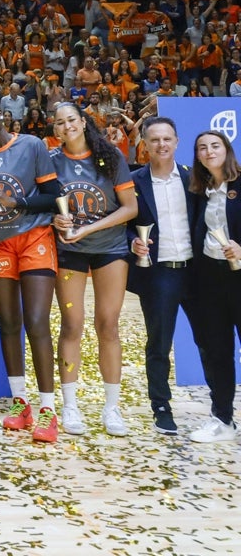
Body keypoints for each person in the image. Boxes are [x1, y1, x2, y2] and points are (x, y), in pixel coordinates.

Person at [0, 98, 62, 443]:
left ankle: (48, 409)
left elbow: (54, 195)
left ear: (2, 114)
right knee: (8, 324)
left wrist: (17, 202)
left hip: (34, 235)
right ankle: (19, 403)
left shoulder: (31, 145)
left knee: (37, 322)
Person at [49, 102, 138, 437]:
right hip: (70, 252)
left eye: (72, 119)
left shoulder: (111, 156)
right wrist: (55, 218)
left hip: (110, 249)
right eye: (60, 122)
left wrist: (89, 228)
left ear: (84, 122)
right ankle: (70, 405)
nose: (67, 126)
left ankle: (111, 408)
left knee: (108, 325)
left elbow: (130, 208)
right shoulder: (52, 161)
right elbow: (45, 206)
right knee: (72, 324)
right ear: (55, 129)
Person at [127, 116, 194, 435]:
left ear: (177, 142)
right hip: (159, 275)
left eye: (167, 139)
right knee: (159, 344)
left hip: (198, 273)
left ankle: (220, 409)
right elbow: (123, 223)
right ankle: (161, 406)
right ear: (144, 144)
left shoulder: (195, 180)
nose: (161, 145)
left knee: (211, 342)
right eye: (154, 140)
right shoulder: (134, 181)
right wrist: (132, 243)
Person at [185, 131, 241, 443]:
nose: (209, 151)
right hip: (210, 280)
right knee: (217, 352)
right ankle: (223, 419)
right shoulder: (198, 190)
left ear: (227, 149)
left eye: (215, 145)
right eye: (202, 148)